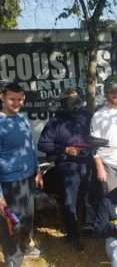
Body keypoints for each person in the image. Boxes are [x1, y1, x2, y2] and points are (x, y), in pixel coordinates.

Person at [38, 88, 94, 251]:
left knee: (86, 199)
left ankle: (86, 228)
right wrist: (65, 149)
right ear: (64, 103)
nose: (75, 104)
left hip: (87, 164)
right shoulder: (55, 122)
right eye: (71, 101)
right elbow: (43, 144)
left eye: (76, 100)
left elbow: (97, 134)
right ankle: (72, 235)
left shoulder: (87, 117)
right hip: (68, 167)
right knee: (70, 202)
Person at [0, 83, 43, 267]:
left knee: (26, 219)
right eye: (12, 99)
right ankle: (12, 261)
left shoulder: (23, 119)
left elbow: (30, 147)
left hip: (27, 181)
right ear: (2, 97)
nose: (16, 103)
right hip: (9, 184)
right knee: (11, 226)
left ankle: (25, 247)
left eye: (20, 99)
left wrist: (38, 170)